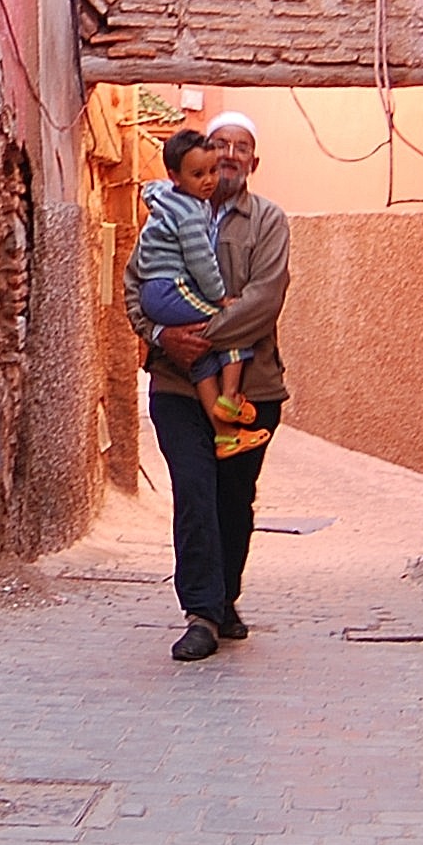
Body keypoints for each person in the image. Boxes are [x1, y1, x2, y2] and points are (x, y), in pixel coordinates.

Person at [122, 110, 290, 663]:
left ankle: (225, 596)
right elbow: (136, 283)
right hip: (176, 383)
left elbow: (264, 298)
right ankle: (200, 611)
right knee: (195, 491)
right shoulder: (167, 215)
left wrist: (199, 334)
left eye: (241, 147)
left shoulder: (267, 222)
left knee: (233, 497)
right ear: (202, 156)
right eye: (220, 144)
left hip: (251, 387)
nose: (229, 155)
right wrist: (162, 334)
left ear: (253, 162)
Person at [131, 129, 272, 458]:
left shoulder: (170, 204)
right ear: (175, 176)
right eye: (199, 174)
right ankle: (230, 398)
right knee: (233, 323)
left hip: (162, 293)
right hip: (170, 291)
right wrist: (221, 298)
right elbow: (201, 262)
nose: (209, 179)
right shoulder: (191, 213)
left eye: (211, 171)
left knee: (202, 358)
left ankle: (225, 435)